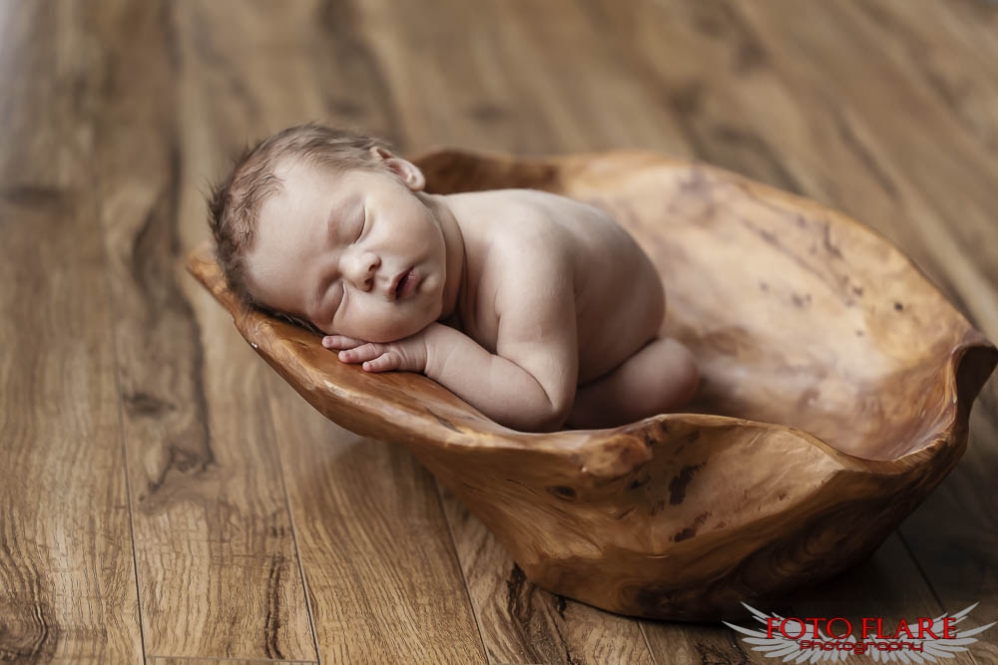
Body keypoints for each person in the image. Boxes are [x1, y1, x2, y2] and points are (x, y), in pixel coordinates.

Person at [208, 124, 699, 432]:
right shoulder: (428, 257)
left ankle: (585, 421)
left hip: (616, 354)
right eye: (333, 296)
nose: (361, 270)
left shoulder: (522, 255)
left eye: (358, 228)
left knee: (673, 372)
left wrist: (432, 352)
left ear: (399, 173)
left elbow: (543, 402)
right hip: (536, 343)